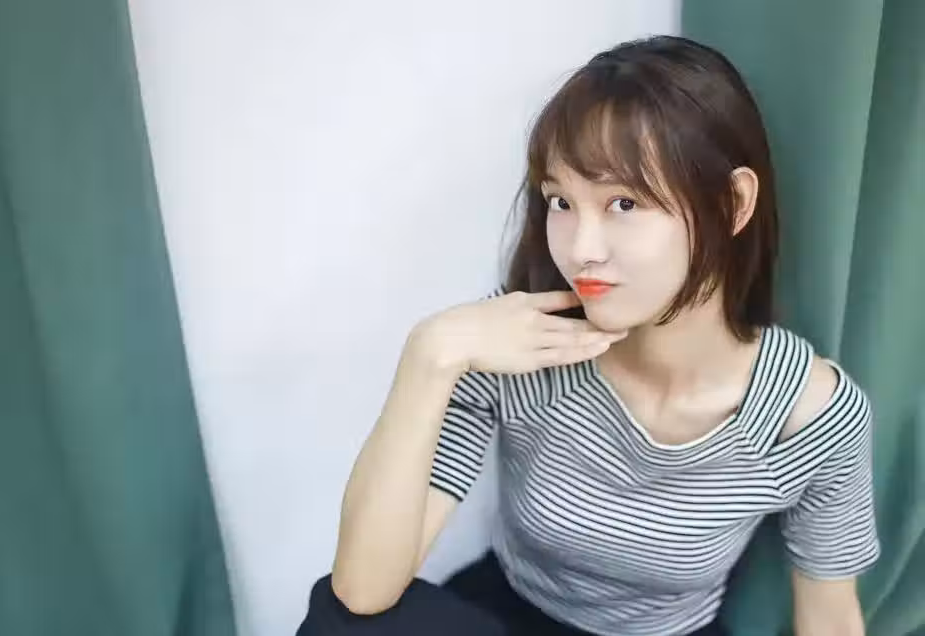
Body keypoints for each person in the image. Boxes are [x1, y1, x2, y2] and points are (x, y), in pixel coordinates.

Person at [297, 35, 880, 636]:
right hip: (507, 617)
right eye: (561, 202)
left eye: (624, 203)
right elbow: (361, 591)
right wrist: (430, 355)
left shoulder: (811, 418)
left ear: (734, 203)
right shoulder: (516, 345)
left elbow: (831, 616)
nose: (581, 249)